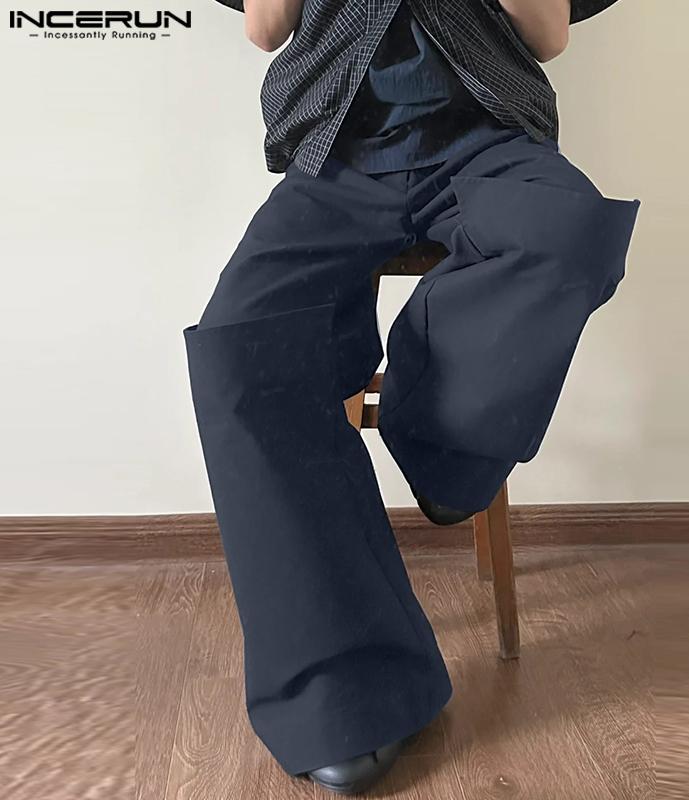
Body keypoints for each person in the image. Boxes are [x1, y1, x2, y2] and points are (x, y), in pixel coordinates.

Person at [184, 0, 640, 794]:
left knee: (569, 231)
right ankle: (344, 697)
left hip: (490, 143)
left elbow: (547, 37)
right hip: (337, 160)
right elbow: (265, 29)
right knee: (240, 343)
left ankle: (443, 440)